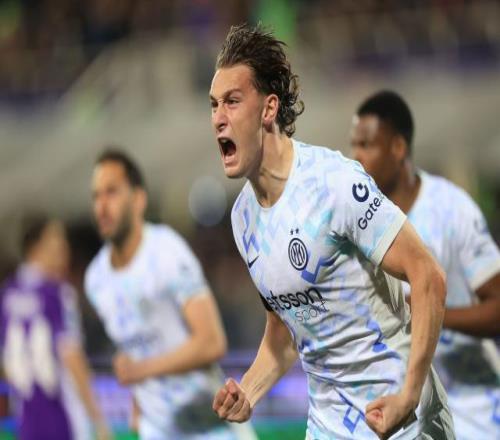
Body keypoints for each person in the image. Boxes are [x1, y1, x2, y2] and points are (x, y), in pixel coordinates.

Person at [209, 24, 454, 440]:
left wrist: (410, 395)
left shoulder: (333, 184)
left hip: (398, 416)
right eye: (214, 105)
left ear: (268, 109)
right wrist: (248, 391)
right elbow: (285, 331)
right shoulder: (242, 218)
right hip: (329, 424)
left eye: (232, 101)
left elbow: (428, 275)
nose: (218, 118)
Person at [350, 90, 500, 440]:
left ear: (398, 148)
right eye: (353, 145)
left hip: (473, 411)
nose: (356, 157)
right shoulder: (358, 222)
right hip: (405, 412)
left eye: (366, 145)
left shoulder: (450, 208)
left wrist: (430, 310)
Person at [84, 149, 256, 440]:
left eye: (111, 192)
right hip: (157, 430)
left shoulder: (166, 252)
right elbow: (137, 343)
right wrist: (138, 401)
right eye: (96, 196)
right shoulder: (96, 280)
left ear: (138, 199)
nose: (101, 206)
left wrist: (140, 371)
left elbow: (212, 343)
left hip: (209, 427)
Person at [0, 216, 109, 440]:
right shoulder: (57, 293)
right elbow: (71, 355)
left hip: (27, 421)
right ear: (36, 247)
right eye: (57, 241)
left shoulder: (7, 294)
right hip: (62, 418)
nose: (64, 249)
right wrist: (98, 419)